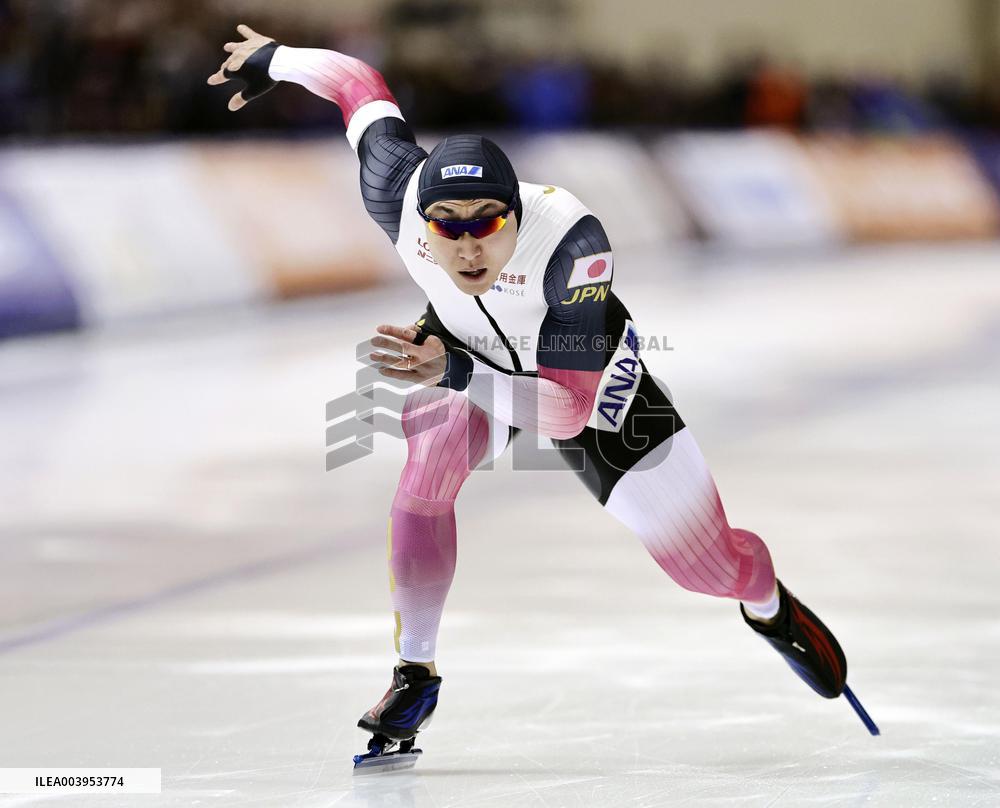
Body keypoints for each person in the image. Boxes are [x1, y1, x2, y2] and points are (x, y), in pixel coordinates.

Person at [208, 25, 875, 770]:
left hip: (583, 379)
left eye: (487, 227)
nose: (466, 249)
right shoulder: (393, 189)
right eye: (447, 230)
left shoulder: (570, 242)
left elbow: (566, 411)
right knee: (424, 472)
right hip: (465, 349)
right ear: (418, 216)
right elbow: (358, 85)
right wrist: (277, 60)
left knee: (704, 567)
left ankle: (767, 602)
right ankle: (414, 674)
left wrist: (455, 374)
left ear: (516, 217)